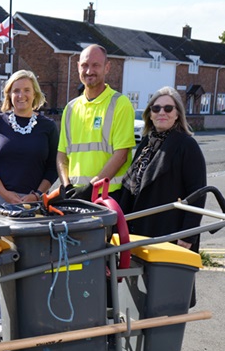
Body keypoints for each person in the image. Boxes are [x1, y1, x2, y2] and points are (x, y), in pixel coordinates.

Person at [120, 86, 207, 252]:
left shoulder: (187, 145)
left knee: (169, 279)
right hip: (140, 232)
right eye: (156, 108)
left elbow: (197, 192)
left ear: (177, 114)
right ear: (150, 114)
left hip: (170, 234)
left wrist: (188, 235)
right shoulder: (146, 144)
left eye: (168, 108)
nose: (162, 112)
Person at [57, 44, 135, 201]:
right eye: (84, 65)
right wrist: (66, 186)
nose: (89, 71)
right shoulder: (70, 108)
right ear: (78, 67)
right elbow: (62, 155)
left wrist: (92, 187)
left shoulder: (120, 103)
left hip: (108, 196)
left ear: (107, 68)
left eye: (95, 65)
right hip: (76, 195)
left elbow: (121, 155)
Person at [0, 70, 59, 209]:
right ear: (9, 94)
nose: (21, 95)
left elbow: (53, 167)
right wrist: (5, 194)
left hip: (33, 202)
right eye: (16, 91)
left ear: (35, 93)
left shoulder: (48, 126)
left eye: (27, 90)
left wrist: (37, 195)